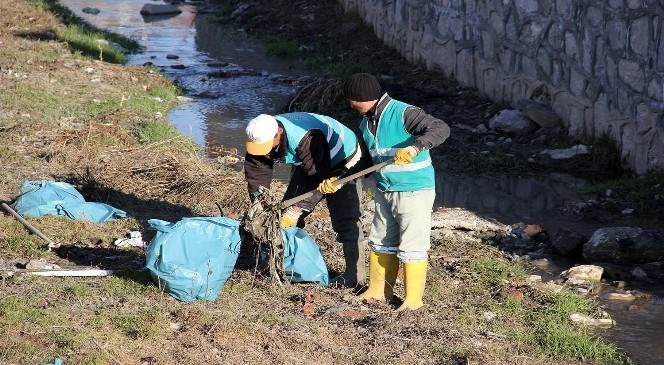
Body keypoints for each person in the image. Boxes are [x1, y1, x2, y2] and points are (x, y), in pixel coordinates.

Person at [325, 73, 450, 310]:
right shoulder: (366, 123)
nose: (349, 105)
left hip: (414, 190)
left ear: (361, 98)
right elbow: (367, 163)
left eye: (351, 100)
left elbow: (440, 128)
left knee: (413, 246)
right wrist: (340, 180)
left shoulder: (403, 113)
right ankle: (379, 291)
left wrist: (415, 148)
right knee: (381, 241)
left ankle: (413, 301)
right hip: (385, 190)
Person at [244, 112, 366, 287]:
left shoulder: (306, 138)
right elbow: (256, 173)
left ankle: (354, 277)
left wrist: (297, 209)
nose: (266, 151)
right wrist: (260, 203)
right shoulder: (260, 134)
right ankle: (284, 265)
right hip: (309, 161)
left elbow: (317, 176)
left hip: (344, 159)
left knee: (346, 218)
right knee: (282, 218)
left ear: (279, 132)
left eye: (268, 146)